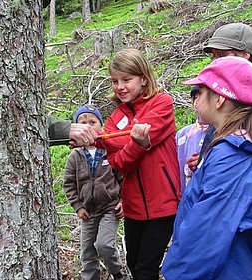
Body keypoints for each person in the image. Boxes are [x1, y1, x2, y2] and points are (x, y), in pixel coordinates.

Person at [161, 56, 252, 279]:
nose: (196, 97)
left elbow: (208, 232)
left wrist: (178, 273)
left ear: (219, 99)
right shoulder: (236, 147)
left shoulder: (232, 156)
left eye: (200, 90)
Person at [94, 48, 180, 280]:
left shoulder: (162, 103)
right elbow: (119, 163)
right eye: (115, 81)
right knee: (133, 263)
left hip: (163, 201)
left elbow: (137, 136)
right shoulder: (114, 118)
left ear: (143, 78)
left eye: (126, 79)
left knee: (145, 269)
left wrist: (103, 139)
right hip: (133, 206)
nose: (119, 86)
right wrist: (137, 144)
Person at [186, 22, 252, 172]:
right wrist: (204, 160)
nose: (216, 61)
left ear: (245, 54)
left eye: (222, 55)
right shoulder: (220, 88)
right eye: (214, 56)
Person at [63, 104, 126, 280]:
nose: (88, 126)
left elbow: (122, 179)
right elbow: (68, 184)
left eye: (93, 122)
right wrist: (77, 206)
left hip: (109, 209)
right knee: (87, 252)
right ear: (76, 127)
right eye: (83, 123)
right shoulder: (75, 155)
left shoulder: (108, 150)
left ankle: (117, 272)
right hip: (87, 212)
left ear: (100, 125)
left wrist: (123, 200)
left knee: (104, 245)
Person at [176, 86, 209, 194]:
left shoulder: (222, 132)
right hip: (182, 194)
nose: (196, 102)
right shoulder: (182, 134)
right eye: (195, 97)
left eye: (201, 96)